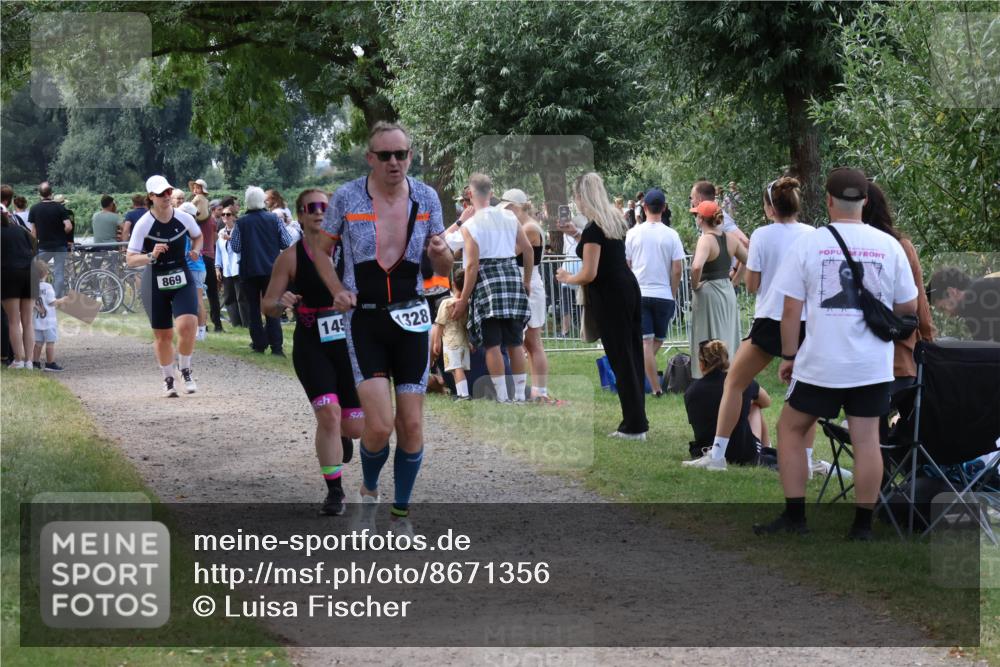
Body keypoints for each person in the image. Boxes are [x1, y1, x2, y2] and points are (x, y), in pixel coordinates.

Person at [757, 167, 918, 541]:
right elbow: (908, 306)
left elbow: (791, 309)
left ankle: (795, 517)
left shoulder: (810, 243)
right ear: (865, 201)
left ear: (828, 200)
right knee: (866, 440)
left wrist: (789, 356)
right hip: (871, 365)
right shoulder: (889, 246)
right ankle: (862, 527)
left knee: (790, 429)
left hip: (821, 363)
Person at [317, 121, 452, 538]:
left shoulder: (426, 197)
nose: (395, 162)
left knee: (411, 425)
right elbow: (321, 251)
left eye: (402, 154)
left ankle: (400, 514)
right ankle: (368, 494)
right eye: (386, 155)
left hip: (412, 316)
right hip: (366, 319)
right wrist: (337, 290)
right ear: (370, 158)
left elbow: (444, 266)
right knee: (378, 426)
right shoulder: (347, 196)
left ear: (410, 156)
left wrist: (442, 255)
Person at [691, 177, 814, 471]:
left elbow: (753, 284)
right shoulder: (812, 234)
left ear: (770, 208)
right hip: (805, 320)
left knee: (734, 382)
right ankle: (807, 461)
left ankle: (718, 455)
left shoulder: (762, 235)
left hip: (770, 319)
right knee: (807, 391)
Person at [262, 189, 364, 516]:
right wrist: (281, 303)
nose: (320, 212)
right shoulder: (290, 257)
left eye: (326, 207)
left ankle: (341, 435)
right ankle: (335, 492)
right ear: (301, 215)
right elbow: (268, 304)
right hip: (312, 343)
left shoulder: (353, 250)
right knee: (328, 414)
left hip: (351, 344)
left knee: (355, 427)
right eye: (312, 208)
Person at [557, 172, 648, 440]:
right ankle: (637, 419)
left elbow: (589, 273)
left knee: (620, 357)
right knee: (631, 354)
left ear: (582, 197)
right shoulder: (613, 222)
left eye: (576, 196)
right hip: (627, 288)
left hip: (610, 296)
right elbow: (601, 252)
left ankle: (634, 425)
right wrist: (576, 234)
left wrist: (567, 277)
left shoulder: (594, 229)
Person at [452, 174, 532, 403]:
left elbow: (472, 265)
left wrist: (463, 299)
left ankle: (503, 396)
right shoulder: (509, 216)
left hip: (487, 282)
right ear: (492, 191)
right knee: (515, 342)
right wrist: (526, 281)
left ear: (470, 193)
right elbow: (527, 249)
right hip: (511, 277)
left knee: (492, 344)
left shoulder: (470, 225)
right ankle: (519, 396)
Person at [126, 175, 203, 397]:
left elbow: (198, 237)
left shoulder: (184, 218)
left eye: (169, 192)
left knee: (188, 324)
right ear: (151, 197)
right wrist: (151, 255)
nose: (167, 196)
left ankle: (185, 370)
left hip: (181, 275)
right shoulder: (144, 224)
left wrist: (196, 250)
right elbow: (130, 259)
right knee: (163, 335)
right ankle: (168, 379)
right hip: (155, 280)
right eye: (161, 194)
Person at [862, 182, 935, 408]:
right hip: (899, 355)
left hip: (858, 356)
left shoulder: (846, 246)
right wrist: (930, 342)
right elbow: (920, 302)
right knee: (905, 415)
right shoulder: (901, 246)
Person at [625, 188, 685, 397]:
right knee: (656, 339)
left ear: (644, 207)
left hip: (640, 293)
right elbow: (677, 269)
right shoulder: (672, 235)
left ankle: (638, 372)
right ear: (664, 208)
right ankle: (656, 388)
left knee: (647, 342)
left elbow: (627, 266)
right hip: (663, 294)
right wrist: (672, 292)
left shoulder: (633, 233)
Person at [684, 339, 772, 467]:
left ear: (701, 364)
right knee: (755, 406)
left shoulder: (691, 391)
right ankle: (767, 447)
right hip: (742, 452)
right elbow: (766, 401)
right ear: (726, 361)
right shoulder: (741, 382)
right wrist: (747, 400)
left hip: (706, 448)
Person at [500, 188, 551, 402]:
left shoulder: (529, 228)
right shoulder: (524, 226)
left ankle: (540, 391)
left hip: (530, 285)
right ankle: (535, 390)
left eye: (508, 208)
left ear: (517, 207)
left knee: (533, 342)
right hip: (523, 283)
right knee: (527, 343)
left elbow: (508, 252)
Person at [688, 200, 747, 379]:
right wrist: (735, 280)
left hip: (709, 292)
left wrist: (694, 285)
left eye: (696, 215)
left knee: (708, 335)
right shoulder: (731, 238)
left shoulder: (705, 240)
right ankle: (729, 373)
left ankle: (708, 377)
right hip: (726, 290)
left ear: (701, 219)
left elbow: (696, 267)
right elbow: (749, 259)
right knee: (727, 333)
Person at [229, 186, 291, 356]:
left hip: (249, 270)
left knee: (253, 309)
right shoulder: (274, 219)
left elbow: (236, 247)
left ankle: (259, 345)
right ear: (262, 200)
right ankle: (276, 347)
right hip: (272, 270)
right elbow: (286, 242)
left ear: (247, 201)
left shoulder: (241, 222)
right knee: (273, 308)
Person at [1, 206, 37, 368]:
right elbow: (33, 247)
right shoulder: (19, 229)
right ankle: (29, 361)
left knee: (13, 321)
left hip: (9, 274)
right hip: (30, 272)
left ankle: (18, 359)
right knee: (28, 322)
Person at [928, 267, 1000, 342]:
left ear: (951, 292)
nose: (947, 314)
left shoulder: (971, 303)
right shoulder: (986, 282)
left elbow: (987, 347)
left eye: (943, 308)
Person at [28, 182, 73, 297]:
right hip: (60, 245)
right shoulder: (60, 207)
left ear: (39, 194)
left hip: (44, 246)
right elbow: (68, 226)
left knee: (34, 269)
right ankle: (56, 297)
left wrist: (32, 247)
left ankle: (38, 295)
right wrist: (60, 233)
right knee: (59, 272)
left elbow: (33, 232)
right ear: (51, 193)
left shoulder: (34, 209)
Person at [432, 269, 471, 400]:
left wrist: (436, 342)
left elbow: (440, 324)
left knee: (456, 368)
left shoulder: (446, 302)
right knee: (456, 369)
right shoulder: (467, 304)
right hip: (463, 340)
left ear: (453, 284)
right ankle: (460, 393)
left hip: (451, 341)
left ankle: (464, 394)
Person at [178, 202, 209, 342]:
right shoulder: (188, 230)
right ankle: (194, 330)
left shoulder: (189, 231)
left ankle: (201, 332)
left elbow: (186, 252)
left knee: (197, 301)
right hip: (192, 268)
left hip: (195, 269)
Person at [32, 259, 66, 371]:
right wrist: (63, 300)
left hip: (37, 321)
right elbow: (52, 302)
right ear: (46, 273)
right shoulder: (47, 287)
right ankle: (50, 363)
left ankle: (35, 363)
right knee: (50, 343)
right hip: (49, 322)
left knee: (38, 343)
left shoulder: (32, 287)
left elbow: (32, 303)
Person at [215, 204, 246, 328]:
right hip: (227, 269)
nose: (225, 216)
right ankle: (235, 323)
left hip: (238, 267)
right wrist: (217, 267)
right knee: (228, 297)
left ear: (234, 216)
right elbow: (218, 252)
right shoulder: (221, 232)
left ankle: (246, 322)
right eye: (223, 214)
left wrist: (231, 239)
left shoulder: (239, 231)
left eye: (228, 214)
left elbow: (243, 248)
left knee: (241, 297)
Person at [200, 200, 223, 332]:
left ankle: (202, 325)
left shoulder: (192, 220)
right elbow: (215, 239)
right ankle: (217, 324)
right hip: (209, 258)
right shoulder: (212, 221)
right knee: (213, 293)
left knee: (196, 293)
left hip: (196, 259)